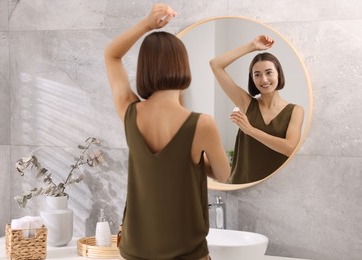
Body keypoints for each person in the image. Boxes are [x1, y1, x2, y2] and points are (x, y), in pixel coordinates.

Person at [104, 4, 229, 260]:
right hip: (187, 254)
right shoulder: (202, 124)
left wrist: (148, 24)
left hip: (135, 251)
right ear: (183, 66)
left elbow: (111, 55)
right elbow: (223, 174)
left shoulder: (129, 111)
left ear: (145, 69)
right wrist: (193, 159)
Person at [209, 35, 304, 184]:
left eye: (269, 72)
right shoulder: (246, 103)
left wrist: (250, 130)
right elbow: (215, 64)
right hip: (240, 186)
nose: (264, 80)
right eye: (257, 75)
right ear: (252, 79)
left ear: (279, 73)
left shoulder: (296, 111)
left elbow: (290, 148)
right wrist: (252, 46)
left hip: (275, 190)